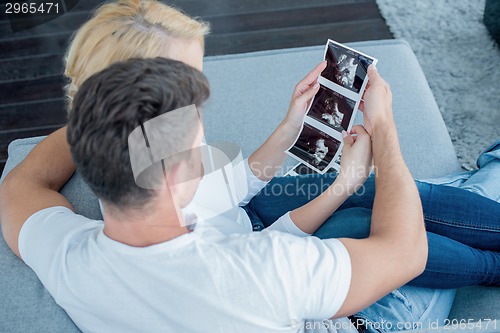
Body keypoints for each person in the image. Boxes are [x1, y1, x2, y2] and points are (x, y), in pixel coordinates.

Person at [0, 0, 498, 329]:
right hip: (340, 309)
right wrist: (386, 126)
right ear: (180, 176)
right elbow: (403, 253)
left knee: (353, 201)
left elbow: (19, 186)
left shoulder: (67, 256)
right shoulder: (255, 275)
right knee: (379, 221)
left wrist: (333, 173)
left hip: (259, 242)